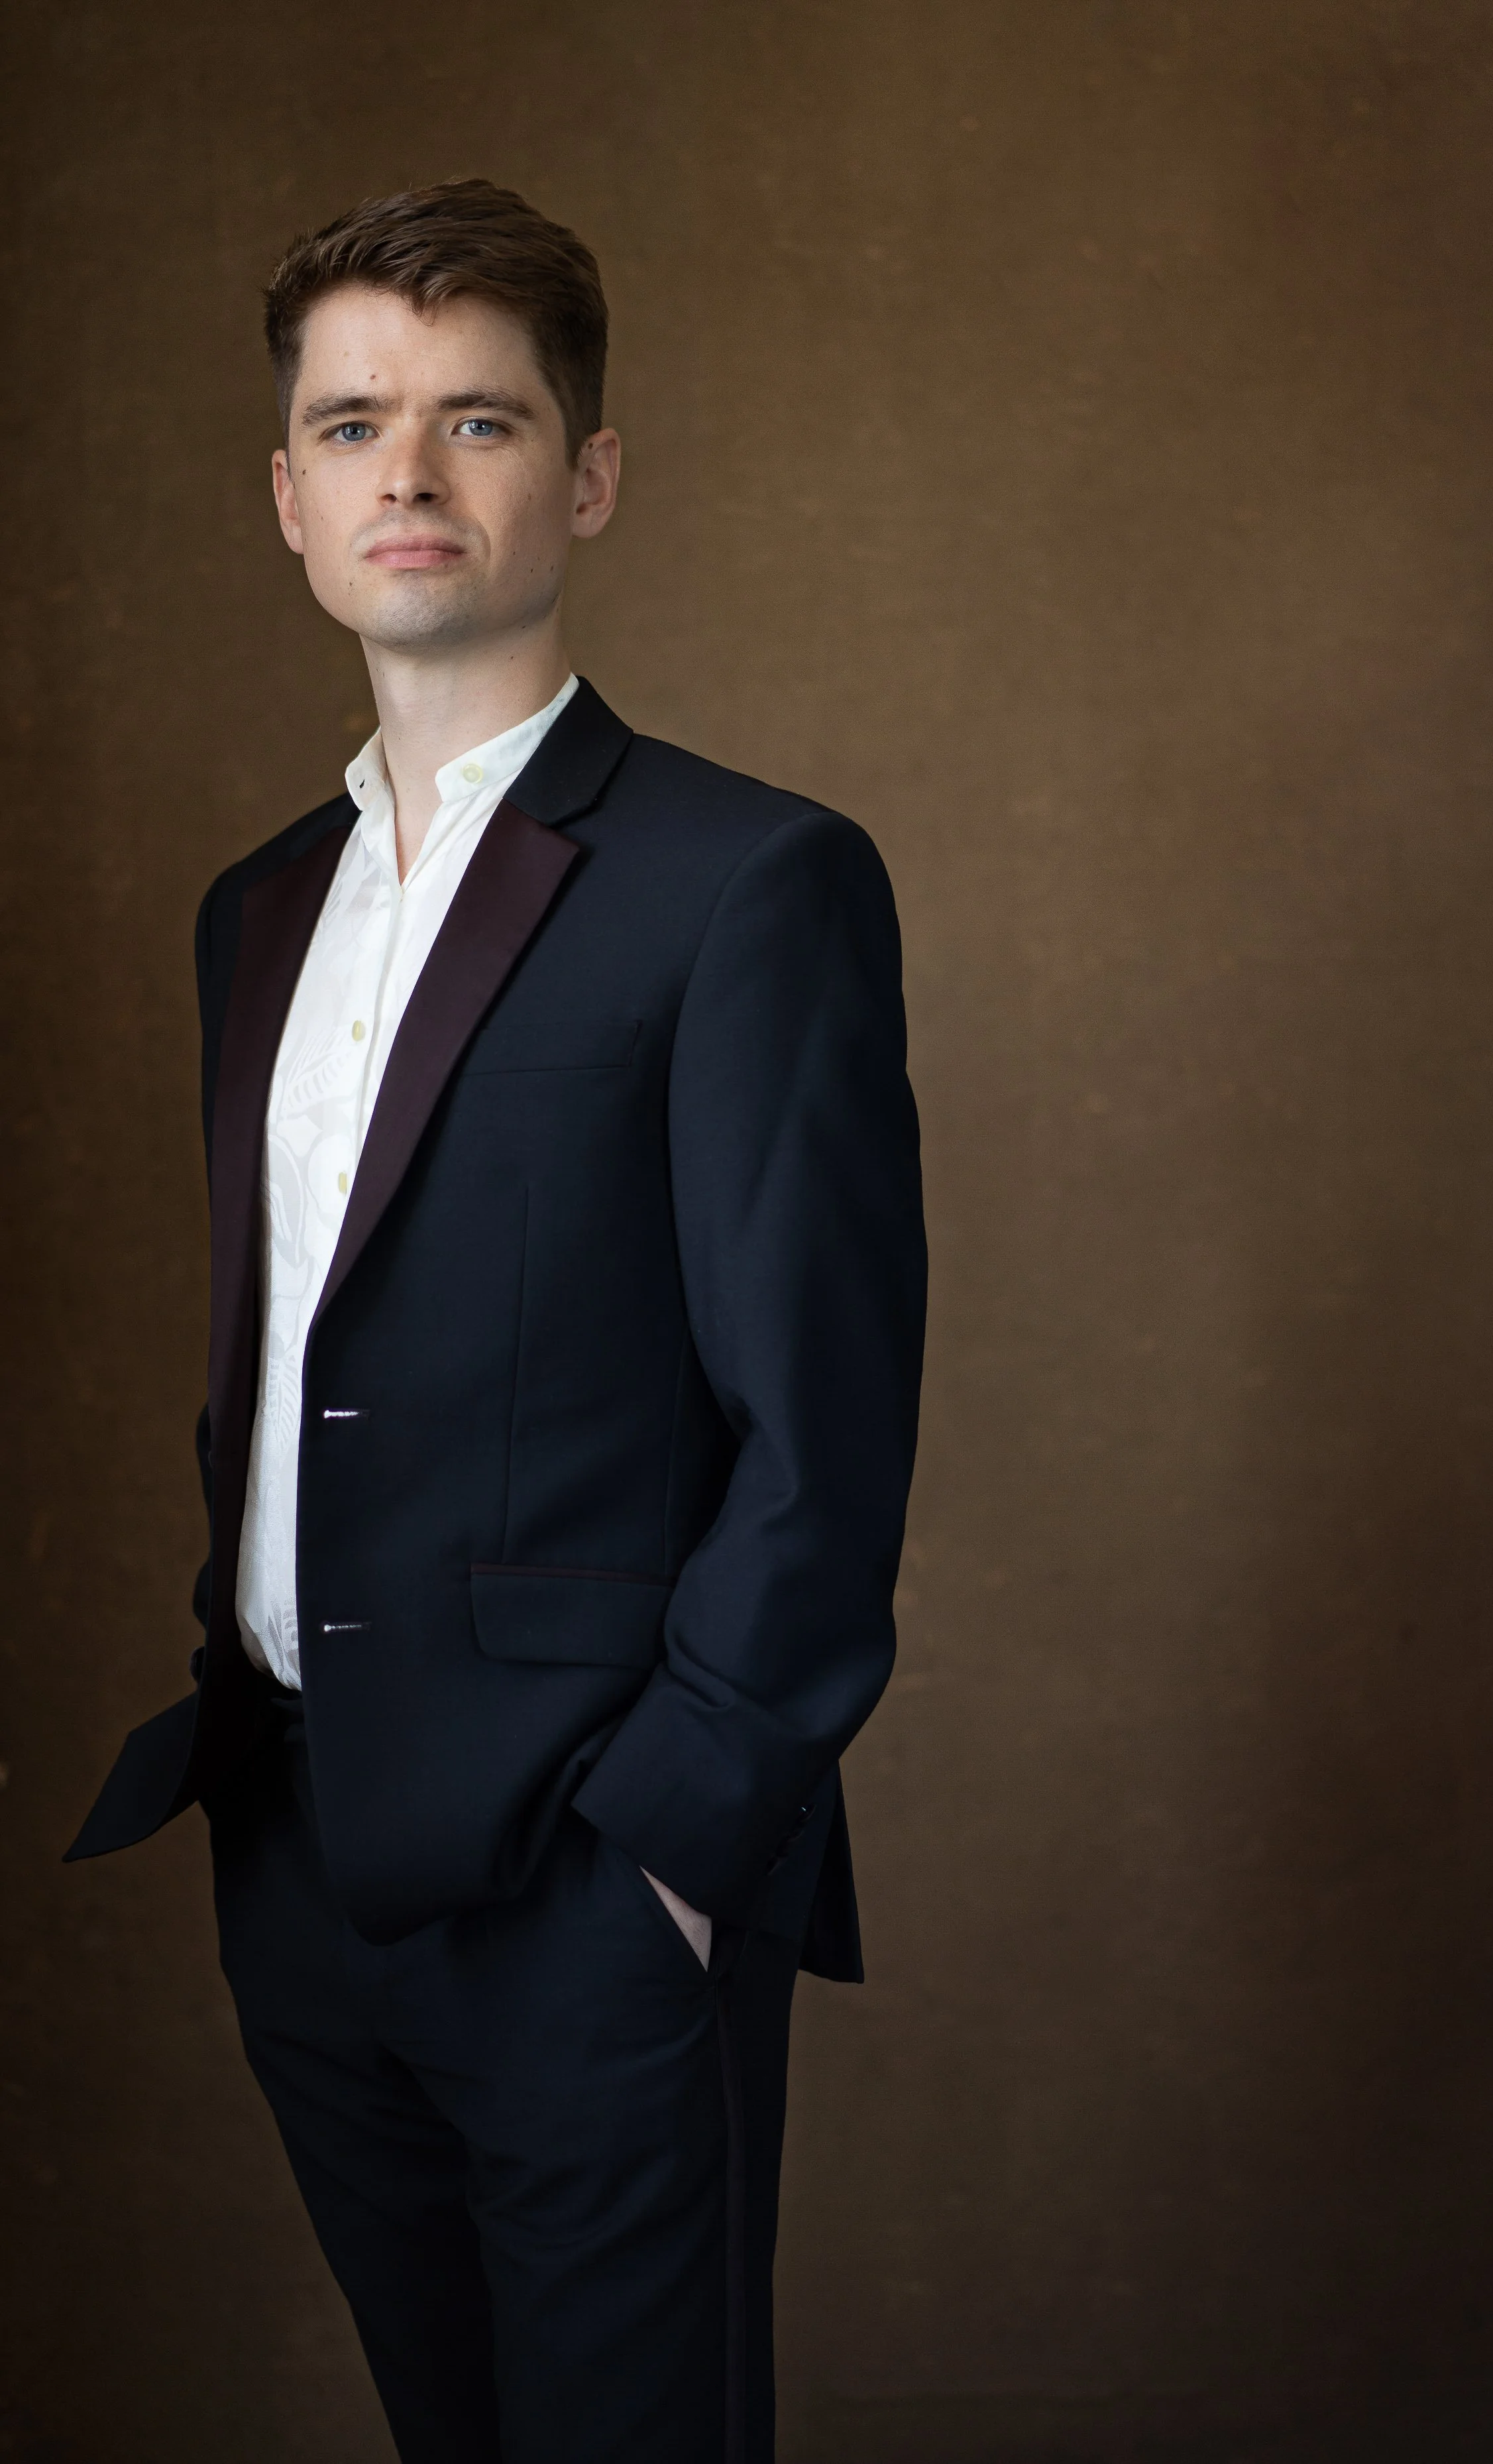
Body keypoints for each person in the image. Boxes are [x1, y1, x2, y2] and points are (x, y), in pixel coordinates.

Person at [67, 178, 925, 2464]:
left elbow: (819, 1434)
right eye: (353, 426)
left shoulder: (748, 886)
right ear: (288, 495)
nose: (410, 478)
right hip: (299, 1865)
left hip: (588, 1882)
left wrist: (669, 1847)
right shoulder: (254, 910)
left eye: (478, 419)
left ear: (589, 472)